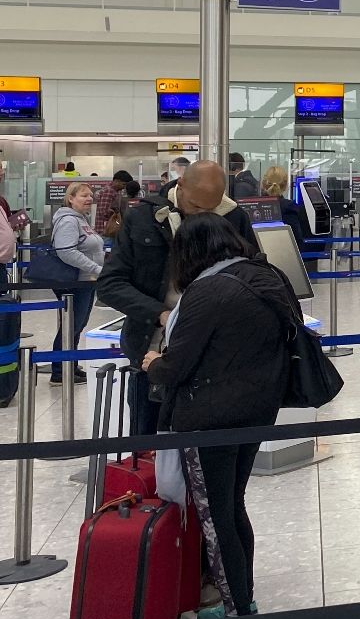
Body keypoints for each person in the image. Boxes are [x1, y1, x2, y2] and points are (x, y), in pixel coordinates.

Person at [142, 213, 300, 619]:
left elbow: (178, 364)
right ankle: (242, 601)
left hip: (210, 419)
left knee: (216, 517)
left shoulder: (206, 292)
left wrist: (154, 363)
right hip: (255, 411)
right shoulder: (265, 275)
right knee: (232, 507)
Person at [97, 161, 258, 436]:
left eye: (212, 209)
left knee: (208, 454)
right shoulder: (143, 217)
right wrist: (161, 314)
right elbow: (110, 284)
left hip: (214, 358)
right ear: (180, 185)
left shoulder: (233, 218)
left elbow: (251, 278)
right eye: (196, 207)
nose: (203, 217)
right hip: (152, 351)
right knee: (147, 444)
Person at [47, 182, 106, 384]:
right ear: (70, 198)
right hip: (74, 282)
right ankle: (59, 370)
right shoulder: (68, 221)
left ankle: (69, 364)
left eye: (90, 195)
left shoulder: (82, 220)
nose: (89, 199)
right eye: (83, 195)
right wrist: (96, 268)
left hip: (86, 281)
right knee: (70, 326)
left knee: (77, 325)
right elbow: (66, 251)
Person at [260, 167, 311, 260]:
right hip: (285, 260)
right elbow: (297, 241)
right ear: (285, 185)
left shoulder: (252, 206)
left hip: (258, 262)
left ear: (263, 184)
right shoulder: (289, 207)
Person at [95, 170, 130, 235]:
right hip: (106, 231)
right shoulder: (109, 191)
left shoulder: (115, 191)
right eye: (123, 184)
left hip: (109, 230)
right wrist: (117, 213)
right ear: (116, 181)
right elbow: (104, 212)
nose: (124, 187)